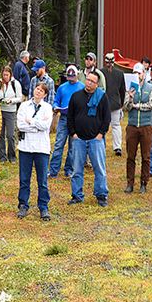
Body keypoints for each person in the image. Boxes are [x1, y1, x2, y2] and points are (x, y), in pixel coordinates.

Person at [66, 74, 111, 206]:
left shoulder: (102, 97)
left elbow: (106, 118)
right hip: (78, 139)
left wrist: (101, 134)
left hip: (96, 139)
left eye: (92, 81)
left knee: (99, 169)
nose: (89, 83)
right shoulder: (76, 96)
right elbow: (70, 117)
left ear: (97, 84)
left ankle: (101, 195)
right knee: (76, 169)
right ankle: (77, 195)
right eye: (88, 80)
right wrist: (73, 133)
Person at [15, 83, 57, 220]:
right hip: (25, 147)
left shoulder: (47, 108)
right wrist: (36, 125)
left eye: (41, 91)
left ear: (45, 94)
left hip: (41, 148)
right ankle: (23, 205)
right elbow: (20, 125)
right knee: (24, 178)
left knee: (42, 180)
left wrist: (31, 121)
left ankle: (43, 207)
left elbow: (45, 127)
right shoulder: (24, 106)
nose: (38, 92)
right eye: (37, 89)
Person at [122, 67, 152, 194]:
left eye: (139, 72)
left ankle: (144, 183)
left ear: (144, 73)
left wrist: (137, 106)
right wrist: (131, 98)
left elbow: (151, 105)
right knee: (130, 156)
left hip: (146, 125)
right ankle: (130, 183)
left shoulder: (151, 87)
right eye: (135, 73)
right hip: (132, 126)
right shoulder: (130, 88)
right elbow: (126, 107)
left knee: (146, 156)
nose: (137, 75)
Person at [0, 67, 25, 161]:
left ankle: (12, 156)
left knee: (10, 135)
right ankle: (2, 157)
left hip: (11, 111)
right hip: (0, 110)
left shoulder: (15, 83)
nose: (5, 77)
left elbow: (20, 98)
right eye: (4, 75)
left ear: (10, 75)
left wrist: (11, 100)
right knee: (0, 134)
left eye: (7, 75)